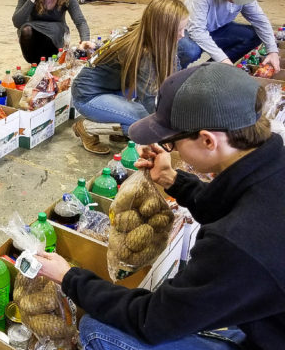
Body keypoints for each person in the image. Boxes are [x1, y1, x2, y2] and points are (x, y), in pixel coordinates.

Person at [36, 62, 285, 349]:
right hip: (268, 323)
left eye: (172, 142)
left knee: (96, 329)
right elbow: (236, 204)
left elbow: (152, 321)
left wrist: (70, 278)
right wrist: (172, 180)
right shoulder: (270, 171)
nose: (172, 149)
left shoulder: (239, 243)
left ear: (207, 140)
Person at [70, 0, 189, 155]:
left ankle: (116, 125)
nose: (182, 35)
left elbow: (174, 76)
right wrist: (179, 131)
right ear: (162, 29)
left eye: (184, 28)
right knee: (146, 124)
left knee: (152, 114)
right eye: (178, 30)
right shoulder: (143, 53)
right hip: (88, 96)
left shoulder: (146, 31)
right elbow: (150, 101)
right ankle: (87, 128)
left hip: (114, 87)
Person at [177, 0, 281, 71]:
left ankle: (208, 71)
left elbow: (260, 20)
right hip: (189, 31)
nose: (239, 1)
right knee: (189, 51)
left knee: (254, 35)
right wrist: (222, 58)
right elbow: (197, 31)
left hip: (218, 28)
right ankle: (175, 73)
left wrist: (273, 51)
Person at [12, 0, 94, 64]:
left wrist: (85, 39)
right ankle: (35, 63)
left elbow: (80, 21)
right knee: (26, 30)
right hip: (35, 31)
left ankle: (52, 61)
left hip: (57, 32)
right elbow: (17, 22)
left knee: (54, 34)